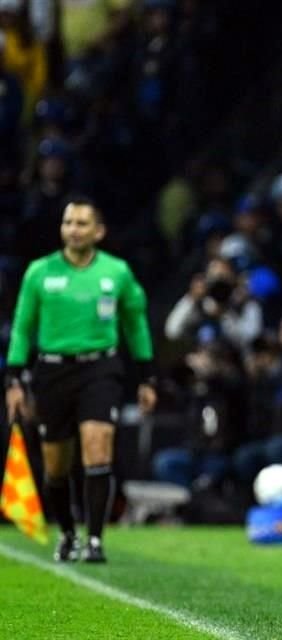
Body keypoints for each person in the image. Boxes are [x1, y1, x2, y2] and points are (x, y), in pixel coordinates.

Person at [5, 196, 157, 563]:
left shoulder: (117, 272)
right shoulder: (39, 272)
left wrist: (146, 376)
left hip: (99, 368)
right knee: (56, 465)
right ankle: (68, 533)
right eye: (68, 223)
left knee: (97, 445)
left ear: (99, 232)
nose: (73, 230)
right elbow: (23, 329)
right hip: (52, 370)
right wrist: (13, 379)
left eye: (81, 223)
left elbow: (135, 324)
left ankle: (95, 540)